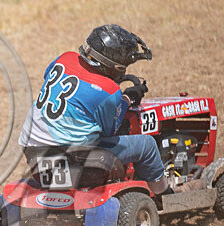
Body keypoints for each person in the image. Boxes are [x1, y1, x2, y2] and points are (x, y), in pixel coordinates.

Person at [19, 24, 203, 195]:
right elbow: (110, 130)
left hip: (33, 155)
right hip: (74, 163)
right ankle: (166, 193)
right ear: (115, 66)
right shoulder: (108, 91)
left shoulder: (64, 58)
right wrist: (126, 99)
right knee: (146, 145)